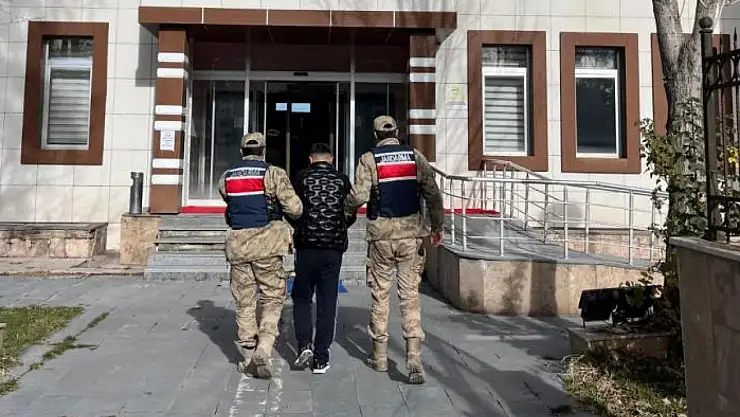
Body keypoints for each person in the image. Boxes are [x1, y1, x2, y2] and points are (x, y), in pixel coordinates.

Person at [344, 115, 444, 385]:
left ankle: (379, 356)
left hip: (381, 236)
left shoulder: (369, 159)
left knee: (380, 294)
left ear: (375, 134)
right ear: (397, 132)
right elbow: (432, 194)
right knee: (410, 294)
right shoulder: (415, 157)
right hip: (410, 234)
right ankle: (413, 355)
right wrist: (437, 227)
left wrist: (345, 210)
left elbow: (359, 196)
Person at [218, 132, 303, 379]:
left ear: (241, 151)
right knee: (273, 297)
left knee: (244, 301)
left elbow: (229, 202)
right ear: (263, 151)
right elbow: (295, 209)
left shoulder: (227, 176)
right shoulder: (274, 173)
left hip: (238, 246)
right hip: (268, 245)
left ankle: (247, 356)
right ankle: (264, 347)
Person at [288, 142, 356, 374]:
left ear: (310, 159)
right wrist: (340, 226)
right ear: (331, 159)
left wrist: (299, 227)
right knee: (327, 301)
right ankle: (321, 358)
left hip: (306, 246)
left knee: (301, 297)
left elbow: (292, 208)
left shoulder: (302, 178)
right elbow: (350, 211)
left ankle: (304, 345)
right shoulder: (342, 179)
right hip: (332, 248)